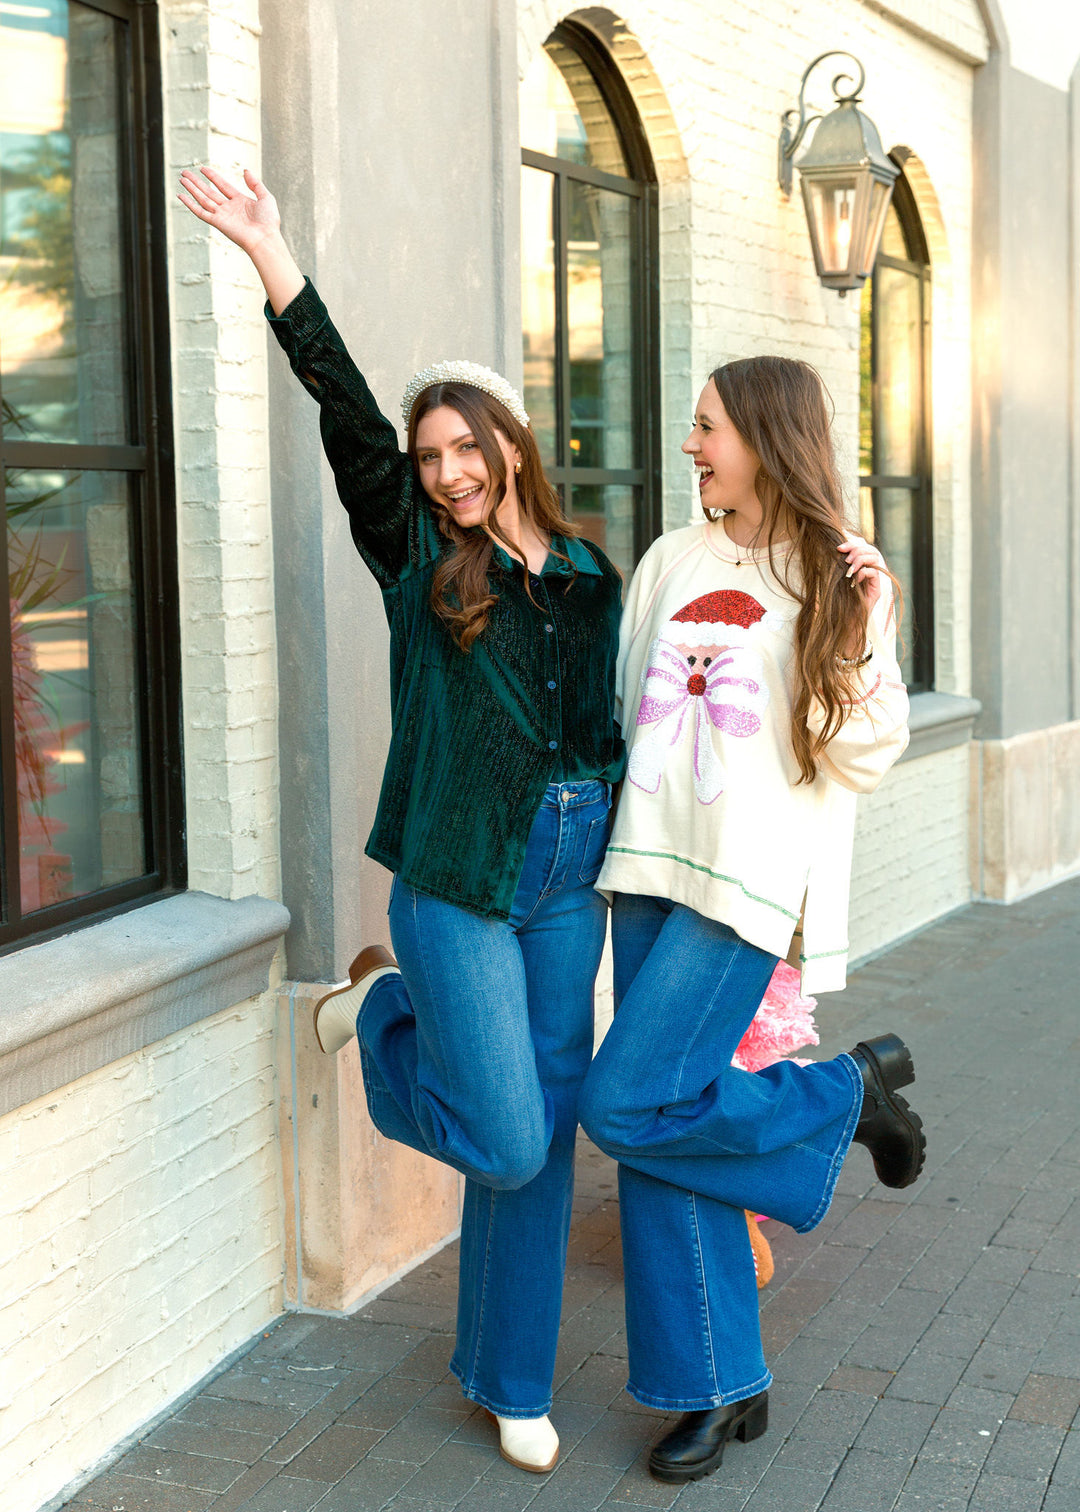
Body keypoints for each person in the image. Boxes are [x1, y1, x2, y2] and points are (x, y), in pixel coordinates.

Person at [177, 166, 625, 1474]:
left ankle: (510, 1376)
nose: (444, 474)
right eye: (430, 461)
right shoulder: (418, 556)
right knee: (508, 1129)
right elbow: (351, 422)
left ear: (508, 442)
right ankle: (373, 1007)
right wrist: (276, 262)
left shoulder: (592, 572)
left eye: (463, 451)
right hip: (458, 879)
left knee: (538, 1146)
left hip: (567, 873)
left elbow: (615, 729)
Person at [578, 355, 924, 1484]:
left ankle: (839, 1096)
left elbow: (868, 751)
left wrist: (870, 624)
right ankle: (722, 1388)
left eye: (708, 428)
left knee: (625, 1101)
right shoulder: (673, 560)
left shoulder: (834, 574)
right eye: (692, 427)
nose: (691, 446)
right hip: (647, 872)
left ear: (769, 439)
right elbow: (627, 703)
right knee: (660, 1134)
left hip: (748, 888)